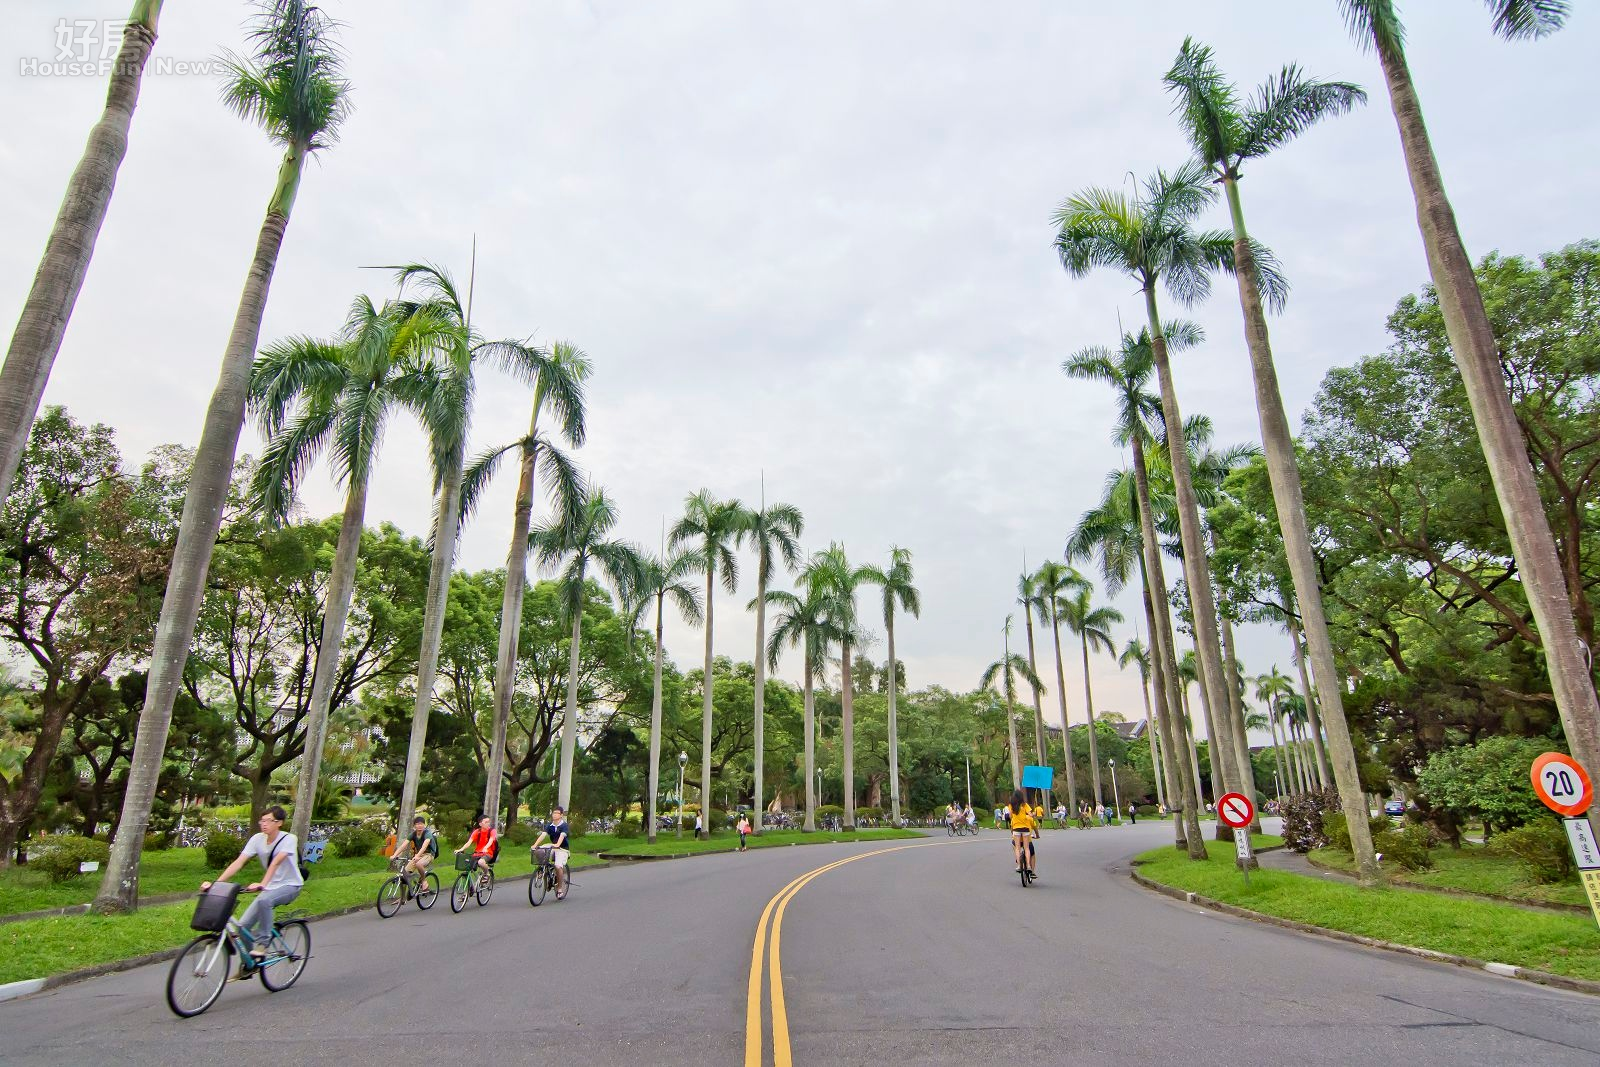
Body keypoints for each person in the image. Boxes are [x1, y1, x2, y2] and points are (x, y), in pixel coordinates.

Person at [200, 805, 303, 960]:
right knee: (243, 928)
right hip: (270, 887)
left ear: (279, 823)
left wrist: (262, 884)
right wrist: (216, 883)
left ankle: (263, 943)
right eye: (262, 820)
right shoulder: (257, 839)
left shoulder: (289, 839)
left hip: (291, 886)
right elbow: (239, 862)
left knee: (265, 899)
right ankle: (249, 964)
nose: (264, 824)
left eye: (269, 820)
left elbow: (275, 862)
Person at [532, 806, 571, 900]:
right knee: (539, 850)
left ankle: (560, 889)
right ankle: (542, 870)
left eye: (557, 813)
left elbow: (562, 836)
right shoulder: (550, 825)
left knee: (558, 866)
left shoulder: (564, 825)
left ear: (561, 815)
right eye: (553, 813)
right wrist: (535, 844)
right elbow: (543, 834)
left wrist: (557, 844)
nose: (554, 815)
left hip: (562, 848)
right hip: (553, 845)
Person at [1006, 789, 1038, 879]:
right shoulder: (1024, 805)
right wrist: (1033, 813)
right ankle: (1028, 866)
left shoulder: (1011, 805)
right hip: (1025, 829)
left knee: (1017, 848)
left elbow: (1010, 816)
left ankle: (1019, 866)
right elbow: (1031, 815)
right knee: (1027, 848)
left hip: (1016, 828)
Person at [398, 815, 439, 885]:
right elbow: (403, 845)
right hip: (418, 855)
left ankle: (423, 881)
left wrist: (417, 856)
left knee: (419, 864)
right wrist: (394, 855)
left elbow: (424, 846)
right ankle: (403, 895)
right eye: (417, 824)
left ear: (424, 825)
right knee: (404, 876)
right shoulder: (413, 834)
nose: (419, 826)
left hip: (429, 854)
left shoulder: (427, 834)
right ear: (414, 826)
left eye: (421, 824)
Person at [455, 814, 498, 878]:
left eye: (488, 822)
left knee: (481, 862)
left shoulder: (492, 831)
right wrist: (461, 849)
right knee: (466, 862)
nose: (488, 824)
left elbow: (491, 841)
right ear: (480, 824)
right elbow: (469, 842)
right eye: (486, 822)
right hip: (477, 853)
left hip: (488, 853)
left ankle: (487, 874)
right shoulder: (477, 832)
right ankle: (472, 881)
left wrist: (485, 847)